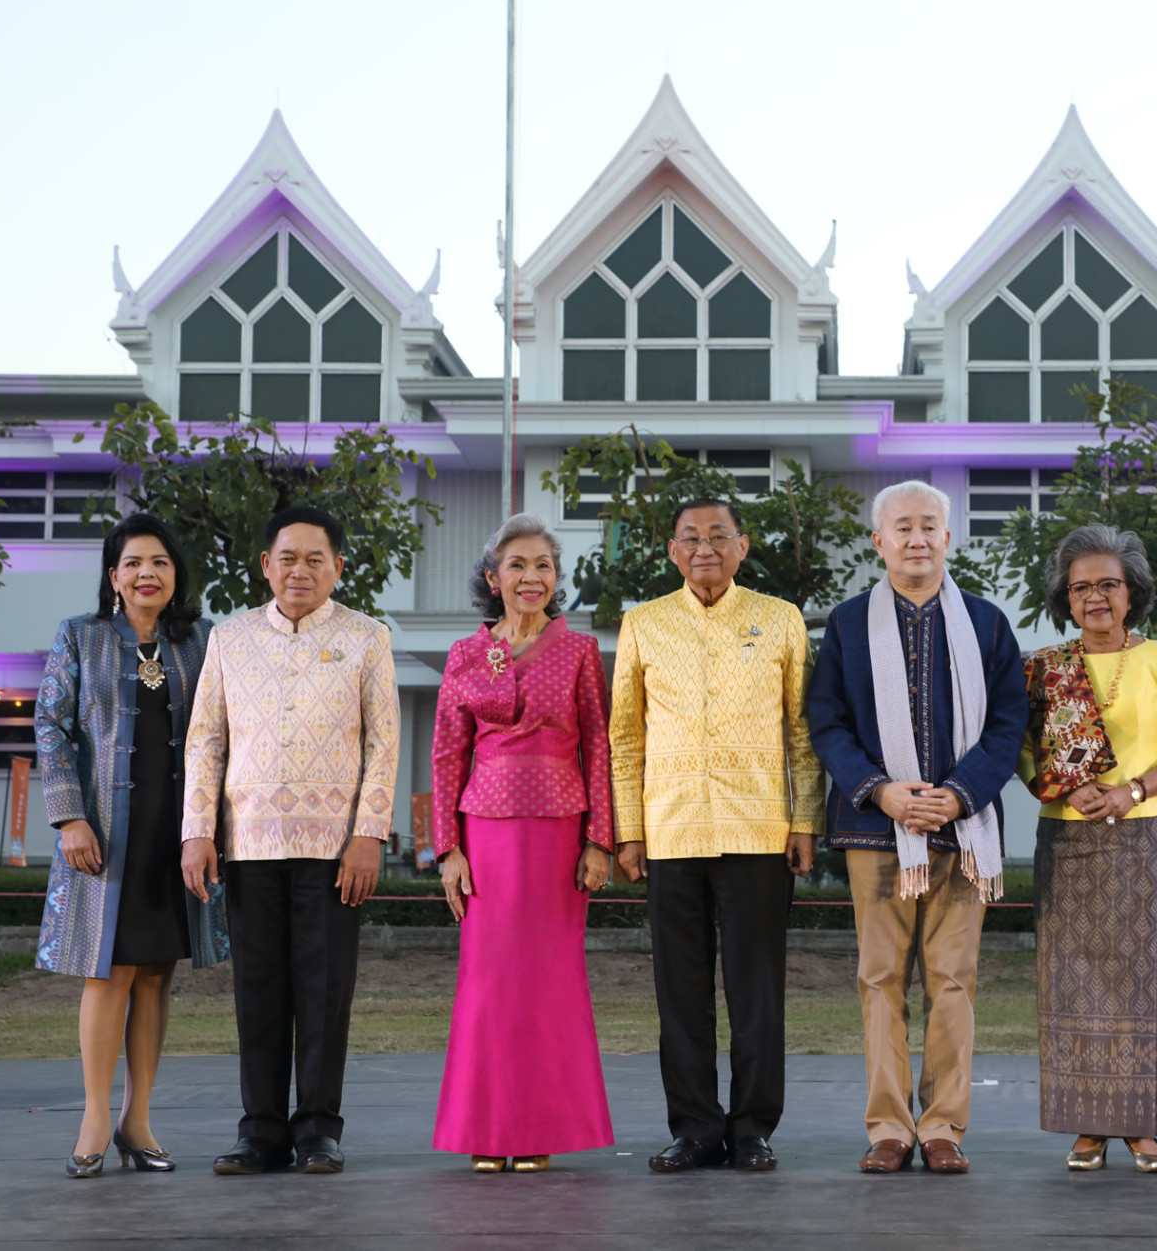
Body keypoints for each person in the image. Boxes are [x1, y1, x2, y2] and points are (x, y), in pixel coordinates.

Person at [806, 481, 1027, 1176]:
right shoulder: (845, 626)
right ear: (878, 542)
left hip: (963, 834)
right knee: (880, 980)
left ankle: (942, 1127)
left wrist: (958, 795)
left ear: (948, 538)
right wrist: (882, 792)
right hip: (877, 832)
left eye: (929, 526)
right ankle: (887, 1127)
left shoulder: (987, 624)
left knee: (952, 980)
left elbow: (1007, 724)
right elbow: (826, 723)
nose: (916, 539)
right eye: (901, 527)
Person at [182, 505, 399, 1176]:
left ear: (338, 566)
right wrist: (197, 831)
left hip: (335, 852)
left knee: (324, 991)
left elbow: (383, 742)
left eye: (315, 558)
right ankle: (260, 1132)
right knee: (258, 991)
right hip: (249, 844)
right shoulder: (230, 637)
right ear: (265, 565)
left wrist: (368, 835)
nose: (299, 570)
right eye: (287, 557)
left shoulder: (366, 638)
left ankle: (317, 1131)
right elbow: (206, 738)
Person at [610, 498, 822, 1174]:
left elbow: (801, 732)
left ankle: (753, 1127)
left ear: (742, 545)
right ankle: (695, 1128)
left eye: (718, 536)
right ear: (672, 551)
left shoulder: (779, 619)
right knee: (680, 991)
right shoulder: (643, 624)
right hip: (670, 829)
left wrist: (805, 819)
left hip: (758, 827)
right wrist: (628, 830)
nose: (704, 547)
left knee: (755, 988)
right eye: (690, 538)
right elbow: (625, 736)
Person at [35, 512, 227, 1179]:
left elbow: (221, 732)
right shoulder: (79, 637)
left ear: (177, 576)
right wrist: (69, 819)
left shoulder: (202, 641)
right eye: (133, 563)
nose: (148, 573)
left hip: (178, 836)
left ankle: (137, 1119)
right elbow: (51, 728)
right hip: (105, 836)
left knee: (155, 973)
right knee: (106, 971)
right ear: (113, 577)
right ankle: (93, 1116)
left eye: (161, 563)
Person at [1021, 525, 1157, 1175]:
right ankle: (1087, 1126)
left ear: (1131, 592)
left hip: (1145, 838)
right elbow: (1024, 751)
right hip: (1067, 839)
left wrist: (1130, 790)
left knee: (1143, 987)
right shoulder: (1046, 666)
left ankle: (1141, 1128)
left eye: (1107, 584)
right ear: (1064, 598)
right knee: (1072, 985)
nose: (1094, 596)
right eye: (1080, 587)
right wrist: (1064, 788)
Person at [430, 515, 616, 1173]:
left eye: (542, 565)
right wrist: (445, 850)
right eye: (517, 565)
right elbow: (448, 754)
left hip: (560, 831)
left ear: (555, 578)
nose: (530, 577)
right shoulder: (463, 654)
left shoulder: (579, 651)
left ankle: (538, 1129)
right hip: (483, 835)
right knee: (486, 983)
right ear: (493, 578)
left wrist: (601, 840)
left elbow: (598, 742)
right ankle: (485, 1129)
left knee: (549, 983)